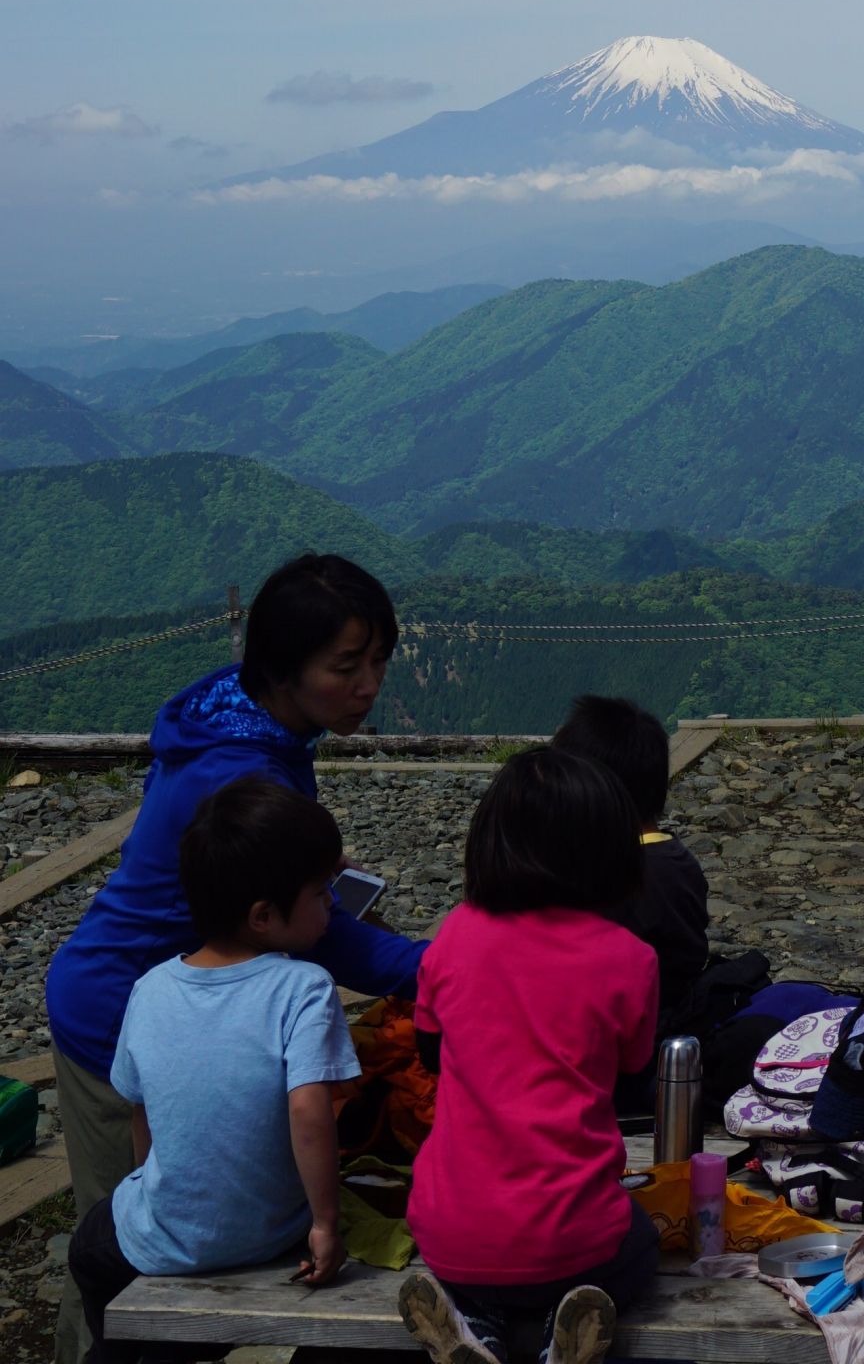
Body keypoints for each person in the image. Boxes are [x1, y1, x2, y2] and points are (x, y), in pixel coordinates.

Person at [45, 553, 426, 1364]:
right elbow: (323, 934)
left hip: (201, 997)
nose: (369, 686)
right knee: (127, 1273)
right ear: (283, 670)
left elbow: (293, 898)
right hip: (125, 1012)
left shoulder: (244, 715)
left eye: (378, 662)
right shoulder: (241, 767)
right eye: (346, 667)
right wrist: (433, 966)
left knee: (171, 1241)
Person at [67, 779, 364, 1362]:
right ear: (263, 915)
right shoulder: (305, 987)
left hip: (160, 1239)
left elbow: (142, 1116)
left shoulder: (150, 989)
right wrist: (325, 1224)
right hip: (268, 1237)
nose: (332, 902)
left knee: (94, 1248)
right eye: (320, 891)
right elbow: (309, 1110)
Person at [398, 746, 660, 1364]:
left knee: (483, 1271)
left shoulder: (454, 935)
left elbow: (431, 1054)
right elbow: (631, 1074)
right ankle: (554, 1334)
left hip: (451, 1234)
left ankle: (476, 1326)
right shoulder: (629, 958)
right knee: (640, 1240)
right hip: (572, 1242)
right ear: (611, 852)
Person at [553, 695, 709, 1035]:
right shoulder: (678, 862)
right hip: (674, 1023)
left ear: (588, 792)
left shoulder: (612, 879)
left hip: (626, 1040)